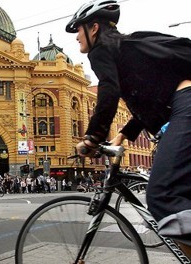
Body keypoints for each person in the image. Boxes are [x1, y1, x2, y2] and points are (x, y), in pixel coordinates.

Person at [66, 0, 191, 255]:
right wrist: (121, 135)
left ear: (94, 28)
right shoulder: (124, 50)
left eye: (79, 29)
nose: (77, 36)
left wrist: (92, 137)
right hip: (182, 103)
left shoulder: (100, 51)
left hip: (186, 104)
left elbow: (108, 92)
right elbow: (152, 102)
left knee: (162, 195)